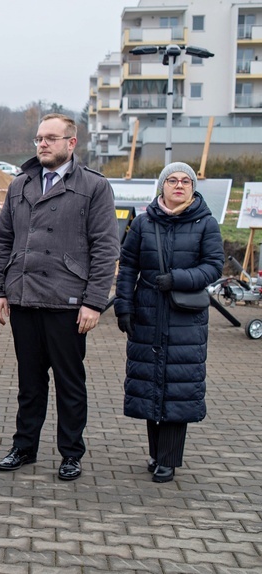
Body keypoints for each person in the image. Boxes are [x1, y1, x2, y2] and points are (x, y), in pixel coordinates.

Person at [0, 113, 119, 481]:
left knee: (69, 383)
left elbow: (106, 248)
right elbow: (2, 241)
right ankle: (24, 446)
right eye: (38, 138)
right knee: (29, 383)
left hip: (67, 302)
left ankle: (71, 453)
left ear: (70, 143)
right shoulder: (21, 184)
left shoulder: (93, 186)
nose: (42, 144)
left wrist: (94, 302)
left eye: (50, 138)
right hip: (24, 299)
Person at [114, 162, 223, 483]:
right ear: (162, 186)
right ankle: (154, 452)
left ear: (192, 187)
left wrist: (177, 278)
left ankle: (168, 460)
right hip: (147, 314)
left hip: (184, 318)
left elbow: (214, 266)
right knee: (151, 385)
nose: (179, 185)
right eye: (172, 180)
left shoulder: (206, 223)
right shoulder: (145, 223)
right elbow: (128, 266)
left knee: (178, 386)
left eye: (185, 181)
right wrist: (124, 307)